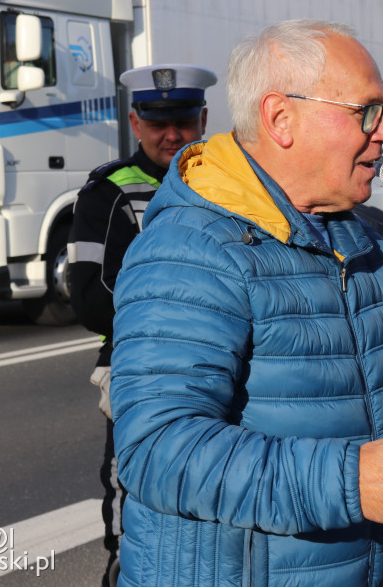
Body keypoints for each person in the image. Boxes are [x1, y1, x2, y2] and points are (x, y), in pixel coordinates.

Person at [109, 19, 383, 587]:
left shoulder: (347, 235)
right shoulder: (192, 246)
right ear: (282, 118)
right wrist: (351, 483)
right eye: (368, 112)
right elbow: (157, 448)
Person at [66, 62, 217, 587]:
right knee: (135, 486)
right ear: (135, 123)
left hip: (229, 368)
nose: (172, 135)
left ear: (203, 119)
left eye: (183, 121)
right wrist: (191, 316)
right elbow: (89, 298)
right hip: (140, 369)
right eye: (158, 123)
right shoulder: (107, 193)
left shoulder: (229, 187)